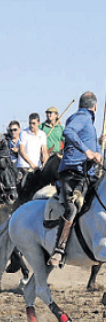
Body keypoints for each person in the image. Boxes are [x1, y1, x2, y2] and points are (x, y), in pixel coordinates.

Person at [50, 92, 102, 267]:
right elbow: (68, 132)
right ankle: (60, 249)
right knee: (72, 207)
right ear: (95, 107)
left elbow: (97, 154)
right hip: (73, 173)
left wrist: (99, 150)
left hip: (87, 175)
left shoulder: (91, 127)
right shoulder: (82, 116)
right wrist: (87, 151)